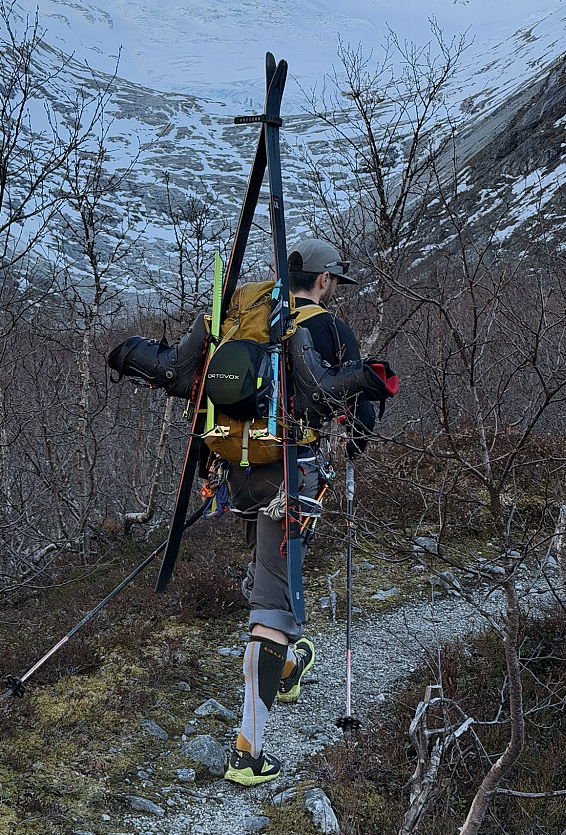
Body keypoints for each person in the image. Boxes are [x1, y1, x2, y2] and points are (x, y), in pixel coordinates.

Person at [224, 238, 383, 786]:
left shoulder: (248, 311)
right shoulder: (329, 329)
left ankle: (286, 671)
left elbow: (186, 373)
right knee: (274, 605)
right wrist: (358, 443)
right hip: (296, 472)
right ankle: (247, 752)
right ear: (322, 281)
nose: (335, 289)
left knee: (272, 569)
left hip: (240, 466)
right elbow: (357, 412)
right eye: (335, 280)